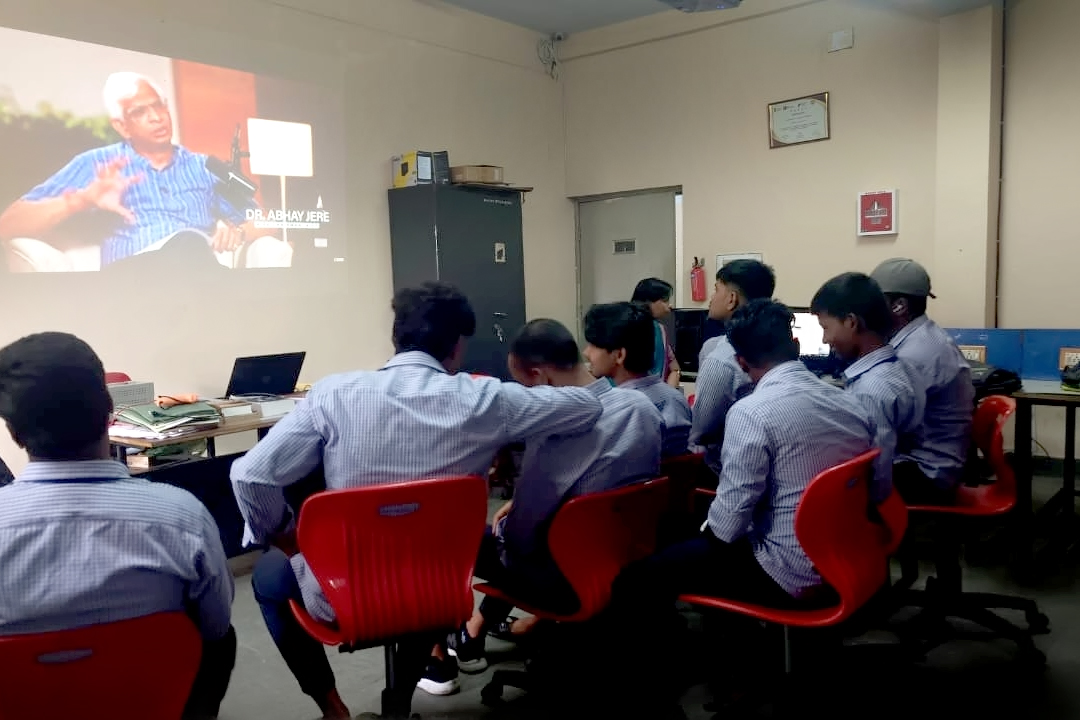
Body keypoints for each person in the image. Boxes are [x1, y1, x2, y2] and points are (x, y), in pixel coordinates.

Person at [231, 282, 607, 720]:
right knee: (458, 554)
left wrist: (286, 536)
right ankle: (402, 699)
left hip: (344, 591)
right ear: (457, 345)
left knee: (268, 576)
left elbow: (249, 475)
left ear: (397, 335)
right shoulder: (487, 399)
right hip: (442, 585)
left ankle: (332, 706)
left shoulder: (334, 394)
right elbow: (588, 406)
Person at [606, 300, 875, 714]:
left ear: (741, 361)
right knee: (685, 539)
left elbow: (727, 529)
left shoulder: (752, 413)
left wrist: (699, 535)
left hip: (788, 572)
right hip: (847, 555)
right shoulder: (849, 401)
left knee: (636, 579)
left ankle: (651, 695)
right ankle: (738, 659)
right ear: (795, 345)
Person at [0, 332, 235, 719]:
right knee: (223, 641)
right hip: (151, 699)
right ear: (110, 409)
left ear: (12, 432)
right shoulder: (183, 517)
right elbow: (216, 624)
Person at [444, 318, 663, 676]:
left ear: (541, 377)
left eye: (525, 387)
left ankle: (445, 647)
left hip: (565, 579)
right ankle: (481, 628)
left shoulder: (553, 432)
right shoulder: (643, 408)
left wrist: (510, 521)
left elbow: (521, 540)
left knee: (457, 537)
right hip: (628, 563)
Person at [0, 71, 281, 269]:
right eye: (140, 112)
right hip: (132, 282)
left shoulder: (207, 165)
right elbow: (8, 224)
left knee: (190, 246)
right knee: (186, 245)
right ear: (122, 126)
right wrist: (80, 200)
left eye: (159, 106)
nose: (156, 117)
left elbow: (267, 222)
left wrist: (237, 232)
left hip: (197, 268)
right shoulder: (97, 163)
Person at [811, 272, 925, 502]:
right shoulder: (900, 366)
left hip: (882, 499)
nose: (824, 339)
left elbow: (876, 473)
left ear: (851, 322)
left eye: (826, 328)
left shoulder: (871, 390)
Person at [870, 258, 974, 505]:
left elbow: (885, 422)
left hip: (927, 474)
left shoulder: (916, 353)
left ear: (899, 306)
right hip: (936, 461)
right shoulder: (920, 338)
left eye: (873, 303)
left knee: (838, 476)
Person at [690, 259, 776, 475]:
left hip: (730, 469)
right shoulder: (779, 346)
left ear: (731, 299)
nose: (711, 298)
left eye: (716, 290)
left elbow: (701, 431)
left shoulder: (721, 358)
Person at [583, 302, 691, 457]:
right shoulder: (677, 399)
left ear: (619, 355)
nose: (586, 352)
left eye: (593, 345)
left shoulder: (611, 412)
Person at [631, 278, 681, 388]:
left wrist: (668, 393)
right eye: (665, 300)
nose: (669, 306)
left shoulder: (660, 329)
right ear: (648, 301)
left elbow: (675, 368)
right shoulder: (627, 328)